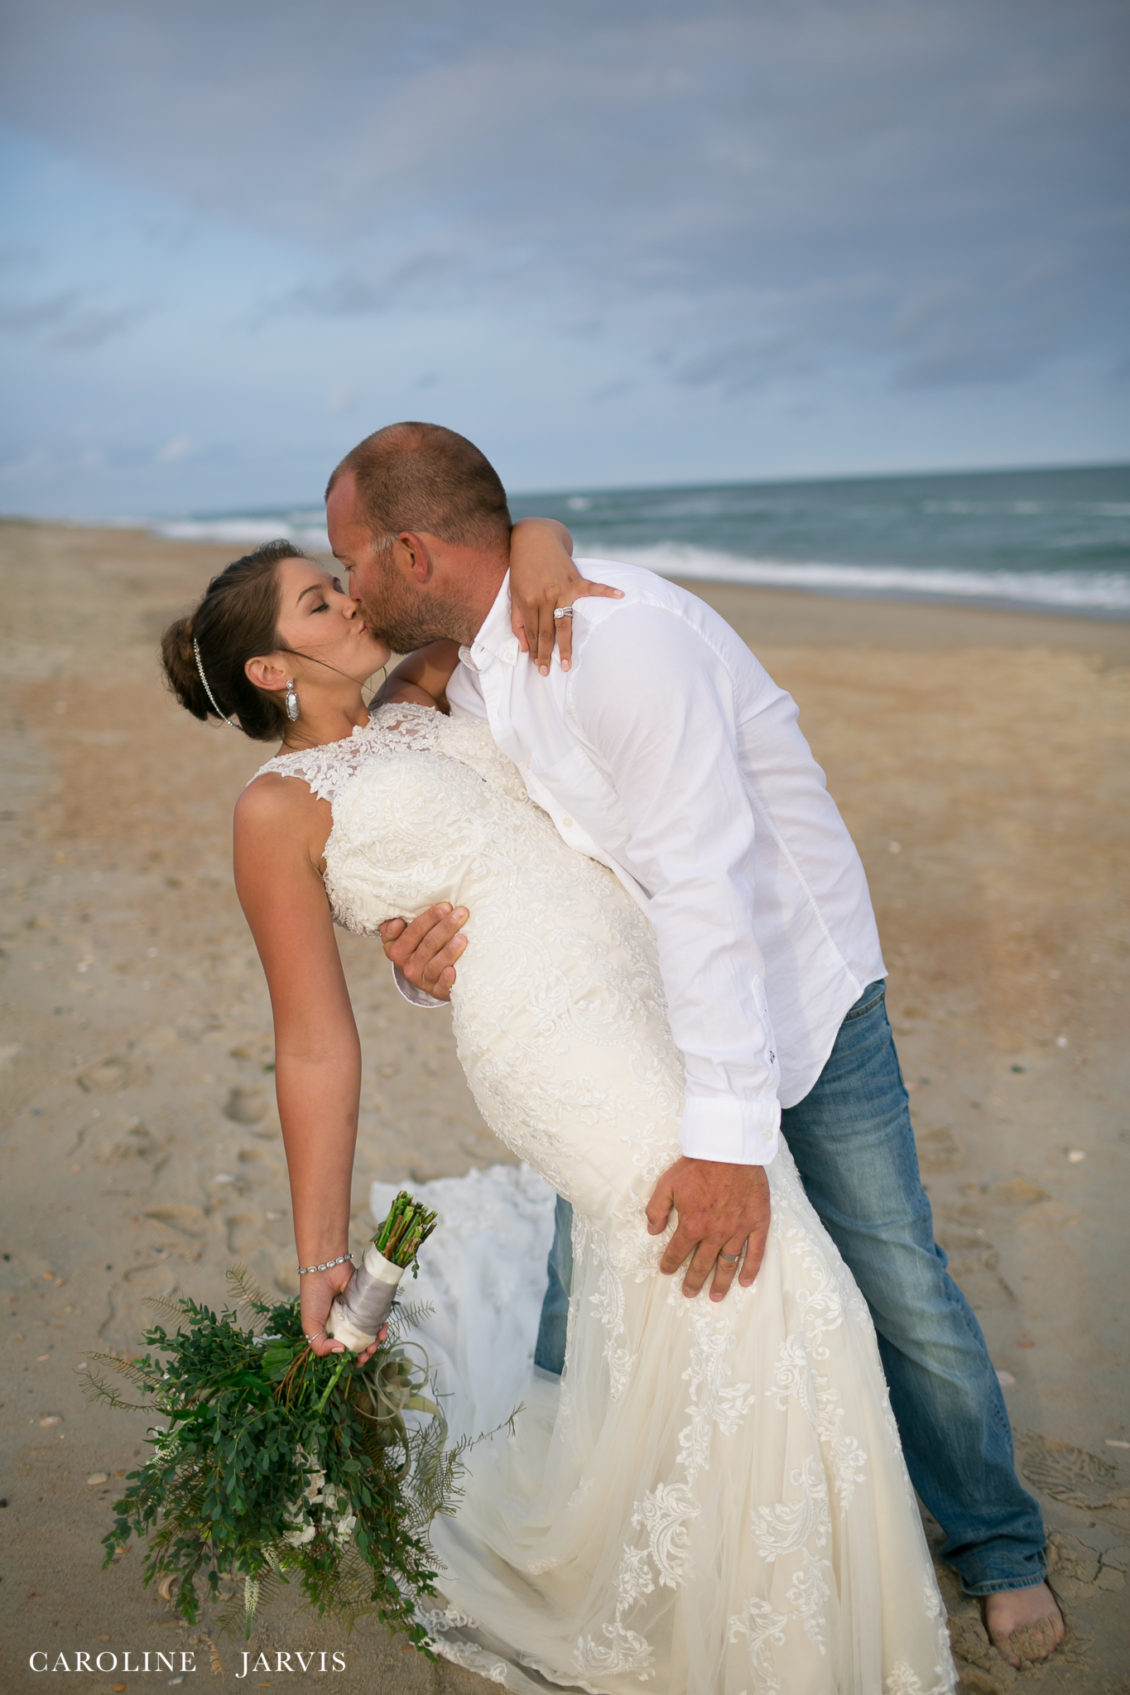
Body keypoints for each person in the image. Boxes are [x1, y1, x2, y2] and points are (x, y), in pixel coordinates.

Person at [324, 422, 1063, 1672]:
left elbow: (709, 891)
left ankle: (997, 1546)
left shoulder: (619, 647)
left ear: (411, 550)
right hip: (642, 1014)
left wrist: (726, 1145)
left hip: (796, 993)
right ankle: (584, 1500)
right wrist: (421, 962)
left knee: (895, 1278)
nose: (346, 586)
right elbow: (511, 854)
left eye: (349, 558)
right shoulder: (475, 666)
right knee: (587, 1268)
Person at [161, 534, 956, 1692]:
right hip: (554, 1040)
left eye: (340, 583)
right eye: (321, 604)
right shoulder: (274, 811)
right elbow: (312, 1043)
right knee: (761, 1272)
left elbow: (466, 557)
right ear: (272, 672)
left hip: (648, 988)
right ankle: (752, 1612)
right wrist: (320, 1255)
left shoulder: (414, 697)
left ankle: (742, 1566)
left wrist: (542, 544)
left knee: (736, 1281)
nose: (354, 603)